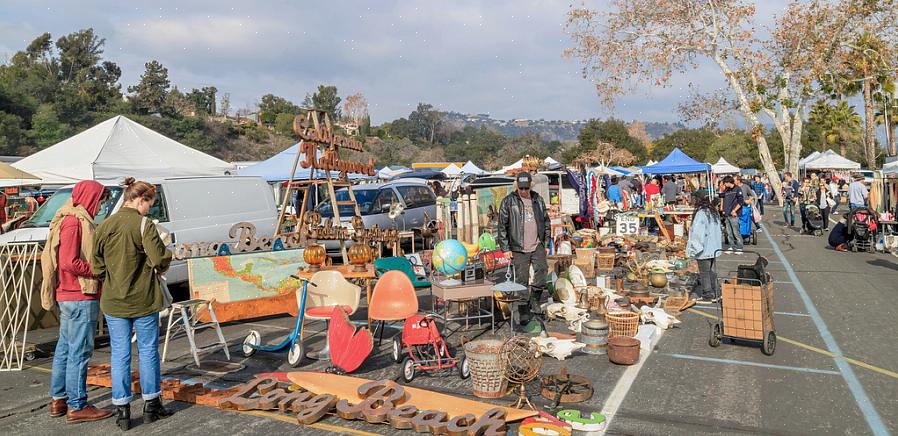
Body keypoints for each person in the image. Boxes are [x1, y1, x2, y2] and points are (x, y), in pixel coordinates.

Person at [92, 178, 173, 430]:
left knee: (120, 354)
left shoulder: (104, 226)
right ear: (140, 200)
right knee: (148, 351)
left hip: (114, 301)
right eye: (150, 203)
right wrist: (158, 262)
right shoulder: (144, 225)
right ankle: (151, 405)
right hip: (143, 299)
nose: (150, 209)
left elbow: (96, 266)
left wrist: (113, 277)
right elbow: (160, 258)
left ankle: (122, 411)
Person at [42, 181, 112, 424]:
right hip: (79, 294)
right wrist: (97, 270)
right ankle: (77, 405)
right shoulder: (74, 222)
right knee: (79, 353)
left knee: (64, 349)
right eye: (101, 200)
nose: (101, 205)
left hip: (69, 295)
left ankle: (59, 399)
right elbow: (69, 262)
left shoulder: (68, 218)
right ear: (91, 197)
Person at [497, 172, 550, 334]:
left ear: (531, 186)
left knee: (542, 271)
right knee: (521, 280)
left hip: (537, 244)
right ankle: (523, 312)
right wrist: (505, 248)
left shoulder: (537, 199)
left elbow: (546, 222)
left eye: (527, 187)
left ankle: (534, 299)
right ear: (517, 186)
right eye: (521, 188)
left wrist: (546, 242)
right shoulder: (508, 201)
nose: (524, 191)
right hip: (518, 247)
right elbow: (502, 226)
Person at [686, 192, 722, 302]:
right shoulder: (712, 212)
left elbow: (698, 234)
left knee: (705, 272)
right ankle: (716, 292)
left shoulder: (701, 213)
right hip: (714, 247)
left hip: (704, 248)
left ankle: (708, 294)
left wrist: (694, 250)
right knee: (709, 271)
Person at [720, 176, 744, 252]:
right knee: (729, 232)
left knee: (736, 232)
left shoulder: (737, 189)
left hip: (734, 214)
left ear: (728, 182)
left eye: (724, 183)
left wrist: (734, 210)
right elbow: (722, 197)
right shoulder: (726, 190)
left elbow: (741, 201)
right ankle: (731, 246)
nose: (724, 184)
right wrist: (722, 208)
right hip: (727, 214)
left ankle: (739, 247)